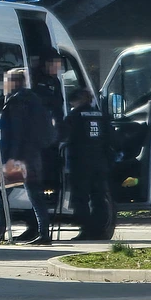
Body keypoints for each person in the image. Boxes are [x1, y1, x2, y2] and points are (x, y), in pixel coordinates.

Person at [0, 68, 55, 245]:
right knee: (35, 194)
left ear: (15, 82)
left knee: (1, 193)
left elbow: (16, 133)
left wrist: (11, 158)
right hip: (33, 155)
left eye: (6, 80)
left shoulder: (17, 102)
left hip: (19, 157)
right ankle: (43, 233)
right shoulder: (35, 100)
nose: (4, 84)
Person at [60, 88, 112, 241]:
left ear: (76, 101)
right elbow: (112, 138)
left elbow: (63, 137)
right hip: (100, 162)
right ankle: (100, 230)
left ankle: (86, 230)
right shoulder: (101, 115)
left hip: (80, 163)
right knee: (99, 197)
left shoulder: (74, 116)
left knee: (80, 198)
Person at [32, 50, 65, 127]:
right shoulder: (34, 78)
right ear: (46, 64)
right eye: (55, 65)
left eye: (58, 66)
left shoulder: (55, 81)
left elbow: (59, 101)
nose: (57, 69)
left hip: (54, 122)